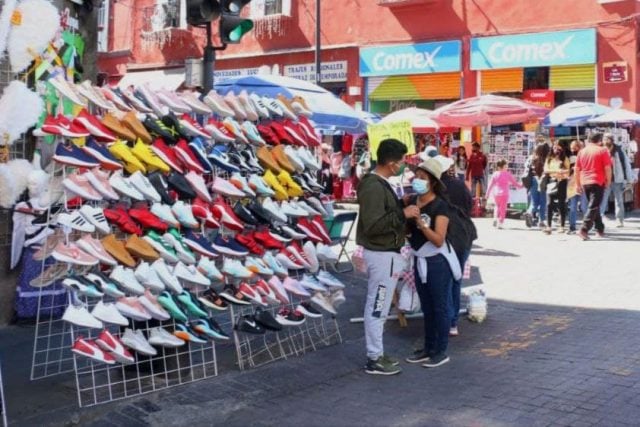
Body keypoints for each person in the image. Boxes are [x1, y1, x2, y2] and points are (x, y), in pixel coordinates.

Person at [356, 138, 418, 376]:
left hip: (386, 255)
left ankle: (377, 353)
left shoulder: (380, 184)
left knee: (379, 307)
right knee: (378, 306)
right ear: (391, 163)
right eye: (402, 161)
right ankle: (374, 357)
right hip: (381, 256)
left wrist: (398, 207)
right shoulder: (373, 186)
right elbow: (373, 225)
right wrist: (402, 213)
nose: (404, 165)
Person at [404, 157, 461, 368]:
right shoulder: (411, 201)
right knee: (427, 307)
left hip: (437, 262)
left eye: (422, 178)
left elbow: (438, 240)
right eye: (416, 177)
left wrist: (421, 225)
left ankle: (441, 350)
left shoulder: (440, 206)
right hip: (419, 259)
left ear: (433, 182)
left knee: (440, 306)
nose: (417, 181)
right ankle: (428, 348)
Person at [441, 160, 472, 337]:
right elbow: (469, 206)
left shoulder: (437, 189)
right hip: (463, 235)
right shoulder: (459, 185)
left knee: (446, 281)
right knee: (455, 279)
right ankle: (452, 322)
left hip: (448, 238)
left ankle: (447, 320)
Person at [575, 133, 612, 240]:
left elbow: (576, 169)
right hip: (598, 181)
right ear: (599, 140)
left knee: (594, 205)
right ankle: (584, 229)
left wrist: (578, 184)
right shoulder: (603, 150)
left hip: (585, 182)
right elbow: (608, 168)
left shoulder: (582, 151)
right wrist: (608, 181)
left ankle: (600, 228)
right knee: (593, 206)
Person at [599, 134, 634, 227]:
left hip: (617, 179)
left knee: (619, 200)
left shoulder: (619, 150)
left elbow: (626, 165)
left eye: (606, 139)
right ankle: (599, 219)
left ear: (611, 140)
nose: (604, 141)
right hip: (605, 179)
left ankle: (619, 220)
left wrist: (629, 179)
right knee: (602, 199)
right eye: (603, 139)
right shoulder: (601, 150)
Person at [486, 159, 523, 229]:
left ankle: (495, 219)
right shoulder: (507, 174)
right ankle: (500, 223)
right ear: (503, 166)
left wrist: (487, 194)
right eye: (506, 166)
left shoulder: (495, 174)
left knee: (497, 206)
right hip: (504, 194)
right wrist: (522, 186)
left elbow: (490, 185)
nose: (507, 167)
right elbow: (515, 183)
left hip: (496, 194)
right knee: (503, 209)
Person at [542, 142, 571, 234]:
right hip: (552, 181)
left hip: (562, 182)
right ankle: (549, 226)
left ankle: (562, 226)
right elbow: (546, 170)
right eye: (555, 147)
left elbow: (568, 171)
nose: (556, 150)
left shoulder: (565, 159)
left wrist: (563, 173)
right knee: (549, 204)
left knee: (561, 204)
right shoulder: (549, 159)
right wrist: (557, 171)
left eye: (558, 148)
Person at [524, 143, 550, 228]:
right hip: (543, 181)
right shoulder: (547, 159)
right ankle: (541, 221)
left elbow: (527, 168)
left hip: (533, 180)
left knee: (534, 201)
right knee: (543, 202)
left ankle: (529, 212)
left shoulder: (531, 158)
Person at [567, 140, 588, 234]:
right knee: (573, 206)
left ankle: (586, 226)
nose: (572, 150)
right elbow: (569, 170)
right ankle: (572, 226)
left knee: (584, 206)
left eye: (574, 147)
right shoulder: (571, 157)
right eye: (571, 148)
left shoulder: (585, 156)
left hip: (583, 182)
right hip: (572, 182)